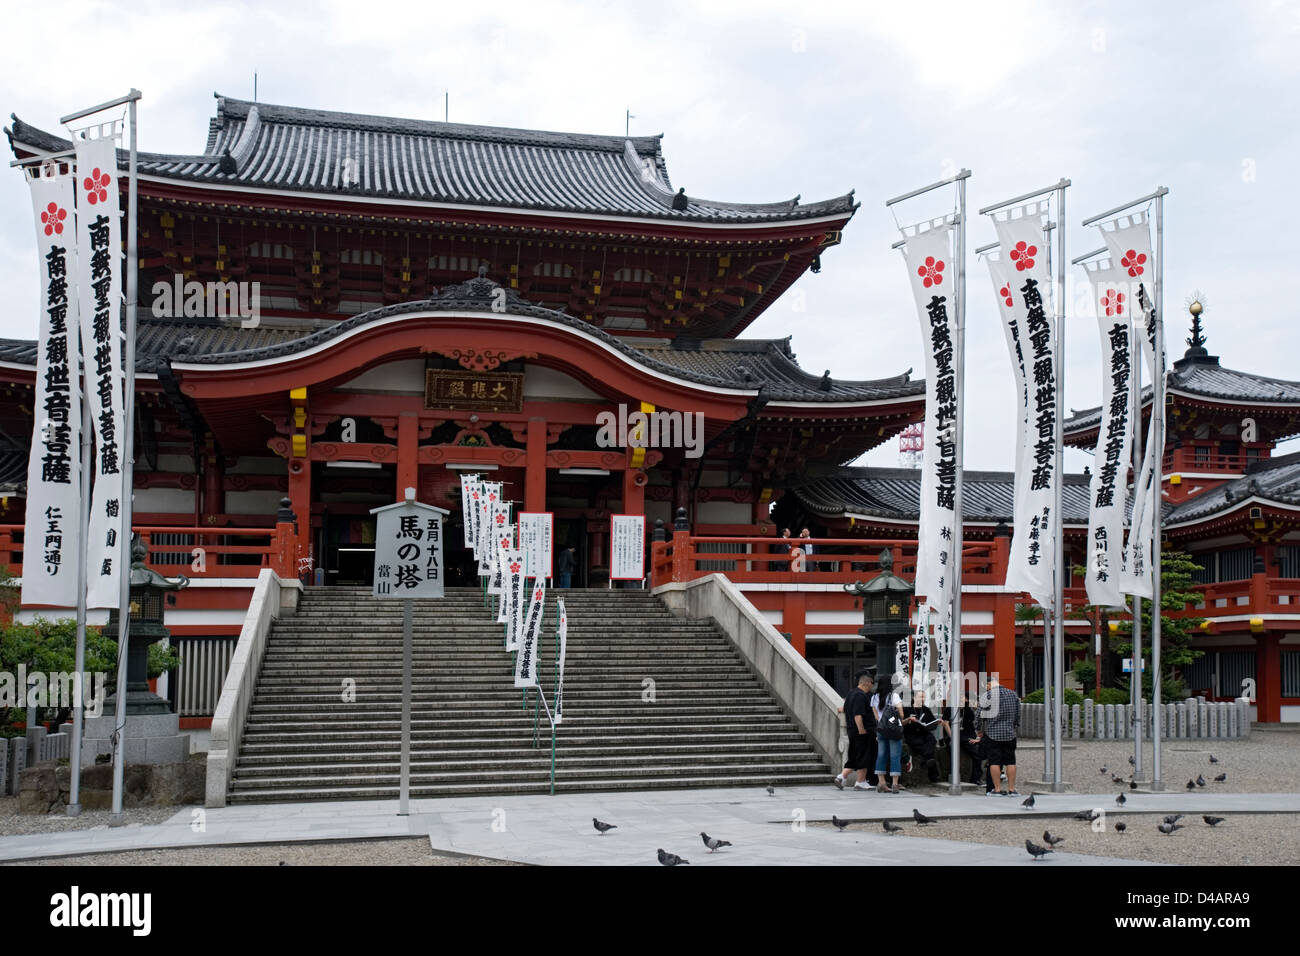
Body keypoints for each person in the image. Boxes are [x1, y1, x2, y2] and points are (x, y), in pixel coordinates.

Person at [977, 675, 1021, 796]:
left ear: (989, 684)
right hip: (1009, 733)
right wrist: (1014, 726)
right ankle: (1012, 789)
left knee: (994, 762)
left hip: (993, 733)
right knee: (1011, 761)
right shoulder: (1013, 694)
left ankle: (997, 789)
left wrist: (978, 729)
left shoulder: (988, 696)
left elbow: (979, 715)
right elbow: (1018, 715)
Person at [834, 670, 877, 791]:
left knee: (853, 756)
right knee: (864, 756)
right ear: (867, 683)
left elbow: (846, 710)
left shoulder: (851, 694)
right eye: (872, 683)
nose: (872, 686)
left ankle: (841, 777)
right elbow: (858, 715)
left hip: (851, 731)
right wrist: (862, 730)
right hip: (861, 731)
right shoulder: (860, 695)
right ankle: (860, 782)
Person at [940, 695, 985, 786]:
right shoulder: (950, 709)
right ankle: (953, 775)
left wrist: (975, 738)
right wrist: (952, 737)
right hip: (951, 735)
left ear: (966, 699)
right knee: (952, 751)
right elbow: (945, 724)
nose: (960, 700)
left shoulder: (968, 711)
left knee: (977, 753)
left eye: (962, 698)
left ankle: (975, 778)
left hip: (965, 736)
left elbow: (972, 727)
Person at [872, 679, 906, 793]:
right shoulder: (894, 696)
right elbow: (901, 714)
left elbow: (876, 717)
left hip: (881, 730)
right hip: (893, 730)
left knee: (881, 756)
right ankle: (895, 784)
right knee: (895, 756)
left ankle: (881, 783)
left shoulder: (874, 698)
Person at [902, 691, 941, 784]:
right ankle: (933, 775)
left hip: (924, 733)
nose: (922, 699)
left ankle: (925, 761)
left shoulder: (926, 709)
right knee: (921, 745)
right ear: (914, 698)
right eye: (920, 697)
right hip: (911, 734)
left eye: (924, 697)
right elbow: (902, 722)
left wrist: (936, 723)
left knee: (932, 740)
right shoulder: (907, 709)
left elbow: (932, 723)